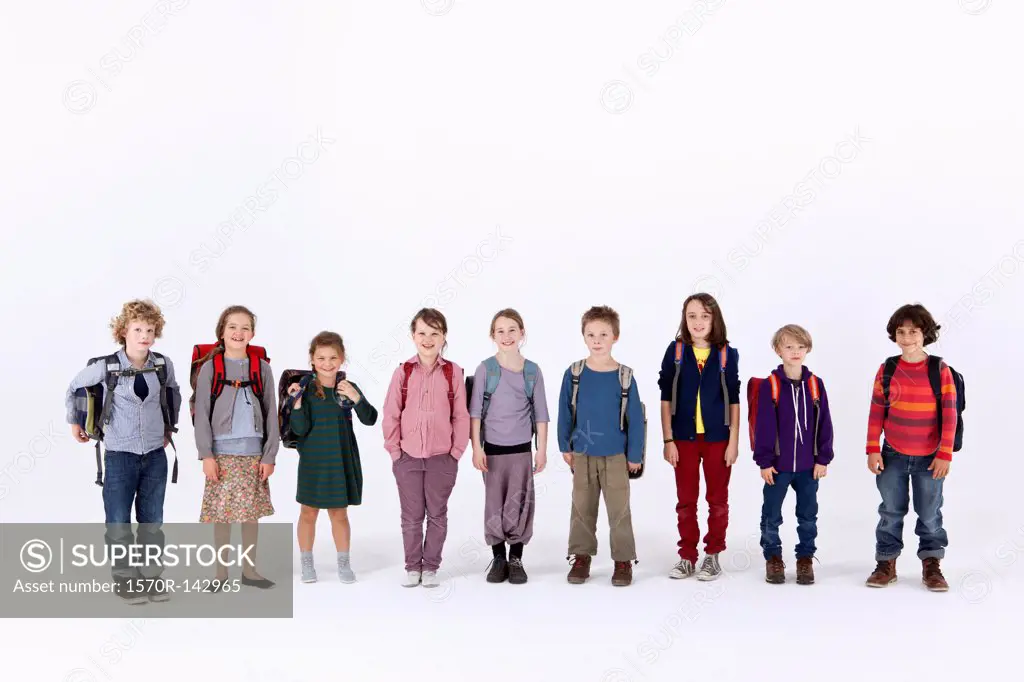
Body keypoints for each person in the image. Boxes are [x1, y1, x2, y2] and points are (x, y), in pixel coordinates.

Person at [65, 299, 181, 604]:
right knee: (118, 522)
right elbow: (74, 387)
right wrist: (75, 422)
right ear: (124, 331)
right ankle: (125, 578)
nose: (144, 335)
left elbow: (173, 394)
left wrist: (168, 427)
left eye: (150, 330)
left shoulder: (162, 364)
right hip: (119, 455)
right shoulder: (106, 366)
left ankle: (152, 578)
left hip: (156, 455)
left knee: (152, 522)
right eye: (138, 329)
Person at [865, 303, 957, 591]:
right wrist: (872, 448)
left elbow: (950, 414)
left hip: (931, 457)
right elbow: (877, 410)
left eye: (913, 331)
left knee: (930, 513)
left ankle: (931, 564)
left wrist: (945, 453)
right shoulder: (888, 369)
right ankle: (886, 563)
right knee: (890, 511)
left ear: (925, 334)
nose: (906, 337)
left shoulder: (939, 370)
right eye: (900, 332)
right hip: (892, 453)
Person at [382, 308, 471, 588]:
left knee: (437, 514)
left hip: (441, 459)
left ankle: (430, 566)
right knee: (411, 516)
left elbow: (461, 415)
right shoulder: (403, 372)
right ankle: (412, 566)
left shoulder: (453, 372)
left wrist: (455, 453)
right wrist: (395, 452)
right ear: (413, 336)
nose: (428, 339)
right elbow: (391, 414)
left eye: (435, 333)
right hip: (407, 458)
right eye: (422, 333)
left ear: (443, 336)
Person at [193, 305, 280, 590]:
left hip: (254, 453)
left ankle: (250, 571)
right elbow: (202, 414)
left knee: (250, 514)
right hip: (221, 453)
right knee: (222, 514)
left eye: (245, 327)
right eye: (232, 326)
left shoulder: (262, 368)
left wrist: (269, 455)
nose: (238, 332)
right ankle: (220, 574)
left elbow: (271, 413)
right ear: (222, 332)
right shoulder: (211, 368)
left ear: (252, 333)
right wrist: (206, 454)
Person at [559, 305, 644, 587]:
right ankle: (581, 556)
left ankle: (623, 561)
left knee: (619, 510)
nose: (597, 340)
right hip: (582, 454)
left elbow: (635, 420)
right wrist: (565, 446)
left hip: (616, 455)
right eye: (591, 334)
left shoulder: (625, 376)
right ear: (584, 337)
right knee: (582, 507)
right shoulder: (574, 373)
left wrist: (634, 455)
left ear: (615, 337)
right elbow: (564, 412)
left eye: (603, 334)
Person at [658, 292, 741, 581]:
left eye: (705, 315)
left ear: (715, 319)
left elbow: (734, 398)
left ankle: (713, 555)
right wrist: (668, 440)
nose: (698, 321)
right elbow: (666, 396)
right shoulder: (676, 351)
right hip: (683, 439)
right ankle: (687, 556)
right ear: (685, 319)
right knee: (686, 501)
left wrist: (734, 442)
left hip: (719, 439)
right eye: (692, 315)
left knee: (717, 500)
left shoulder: (727, 353)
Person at [287, 331, 378, 584]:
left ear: (342, 359)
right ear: (312, 360)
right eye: (321, 358)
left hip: (340, 459)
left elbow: (370, 419)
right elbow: (299, 429)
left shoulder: (346, 388)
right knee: (308, 513)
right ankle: (306, 562)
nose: (327, 363)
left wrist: (356, 397)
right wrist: (295, 402)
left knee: (339, 513)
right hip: (313, 460)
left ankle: (344, 563)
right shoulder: (305, 389)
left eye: (333, 358)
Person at [468, 309, 550, 585]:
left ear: (522, 333)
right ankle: (498, 557)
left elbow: (540, 414)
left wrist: (541, 450)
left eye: (512, 330)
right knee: (494, 505)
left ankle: (516, 556)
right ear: (492, 335)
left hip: (521, 450)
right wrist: (476, 449)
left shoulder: (531, 371)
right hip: (492, 450)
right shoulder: (485, 370)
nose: (506, 336)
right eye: (500, 331)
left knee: (520, 503)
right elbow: (475, 413)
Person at [752, 324, 834, 585]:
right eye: (789, 346)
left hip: (810, 468)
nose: (795, 351)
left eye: (800, 346)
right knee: (771, 514)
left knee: (808, 515)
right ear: (778, 350)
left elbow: (825, 424)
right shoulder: (771, 386)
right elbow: (764, 426)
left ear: (807, 349)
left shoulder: (815, 385)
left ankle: (805, 558)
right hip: (778, 467)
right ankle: (773, 557)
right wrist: (764, 462)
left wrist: (823, 458)